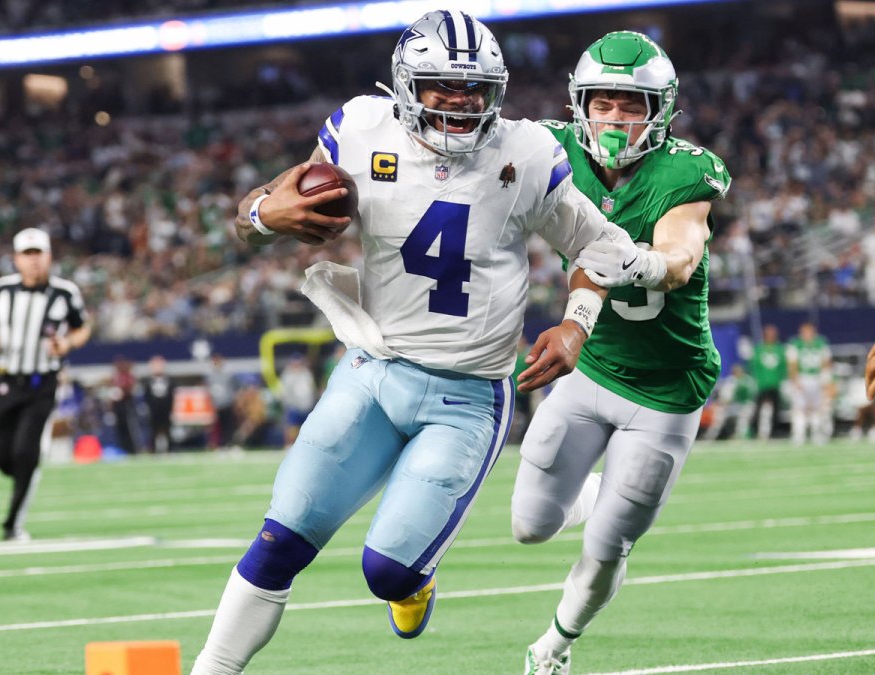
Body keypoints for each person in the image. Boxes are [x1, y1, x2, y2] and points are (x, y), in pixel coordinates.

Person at [191, 11, 642, 674]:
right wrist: (264, 216)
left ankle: (414, 578)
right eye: (441, 86)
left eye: (474, 88)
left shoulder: (524, 151)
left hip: (466, 397)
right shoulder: (359, 128)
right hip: (372, 371)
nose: (459, 102)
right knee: (279, 536)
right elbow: (252, 213)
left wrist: (576, 323)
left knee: (387, 570)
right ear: (406, 85)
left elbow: (601, 245)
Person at [510, 31, 731, 674]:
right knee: (529, 525)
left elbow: (681, 257)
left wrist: (634, 261)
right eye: (602, 103)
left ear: (660, 111)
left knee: (607, 546)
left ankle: (553, 647)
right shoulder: (547, 146)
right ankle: (599, 488)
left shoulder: (685, 171)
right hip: (592, 366)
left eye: (630, 105)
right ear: (580, 103)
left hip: (666, 384)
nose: (613, 118)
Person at [0, 227, 90, 541]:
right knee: (0, 454)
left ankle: (13, 524)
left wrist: (66, 344)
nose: (33, 261)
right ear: (16, 259)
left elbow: (82, 328)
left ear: (49, 256)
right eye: (27, 255)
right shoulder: (2, 290)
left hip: (43, 383)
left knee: (27, 451)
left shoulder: (65, 292)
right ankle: (23, 475)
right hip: (6, 379)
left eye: (38, 253)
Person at [786, 321, 833, 445]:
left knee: (817, 408)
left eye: (809, 331)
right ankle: (799, 434)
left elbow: (826, 362)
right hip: (802, 377)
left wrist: (826, 379)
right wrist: (795, 380)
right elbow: (792, 364)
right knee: (799, 408)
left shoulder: (821, 343)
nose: (807, 334)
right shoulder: (795, 344)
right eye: (805, 331)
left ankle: (816, 434)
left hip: (816, 378)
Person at [749, 324, 787, 441]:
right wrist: (757, 380)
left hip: (775, 383)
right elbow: (754, 367)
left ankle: (774, 431)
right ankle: (754, 430)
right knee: (758, 409)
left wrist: (782, 380)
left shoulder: (779, 349)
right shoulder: (759, 349)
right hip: (762, 384)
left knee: (776, 409)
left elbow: (783, 367)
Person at [704, 363, 757, 441]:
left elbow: (751, 396)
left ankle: (741, 437)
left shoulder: (748, 381)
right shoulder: (730, 380)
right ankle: (710, 437)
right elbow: (724, 398)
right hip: (731, 406)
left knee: (744, 417)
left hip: (744, 405)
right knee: (719, 416)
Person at [277, 353, 316, 447]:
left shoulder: (306, 374)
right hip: (293, 406)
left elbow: (310, 390)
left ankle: (306, 445)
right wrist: (289, 405)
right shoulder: (287, 375)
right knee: (292, 427)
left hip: (306, 406)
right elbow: (285, 393)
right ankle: (289, 444)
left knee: (307, 427)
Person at [142, 355, 174, 454]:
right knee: (153, 430)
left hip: (165, 409)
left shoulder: (168, 380)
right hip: (154, 409)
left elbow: (171, 395)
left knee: (167, 429)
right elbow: (147, 396)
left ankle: (169, 449)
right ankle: (153, 449)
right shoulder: (148, 381)